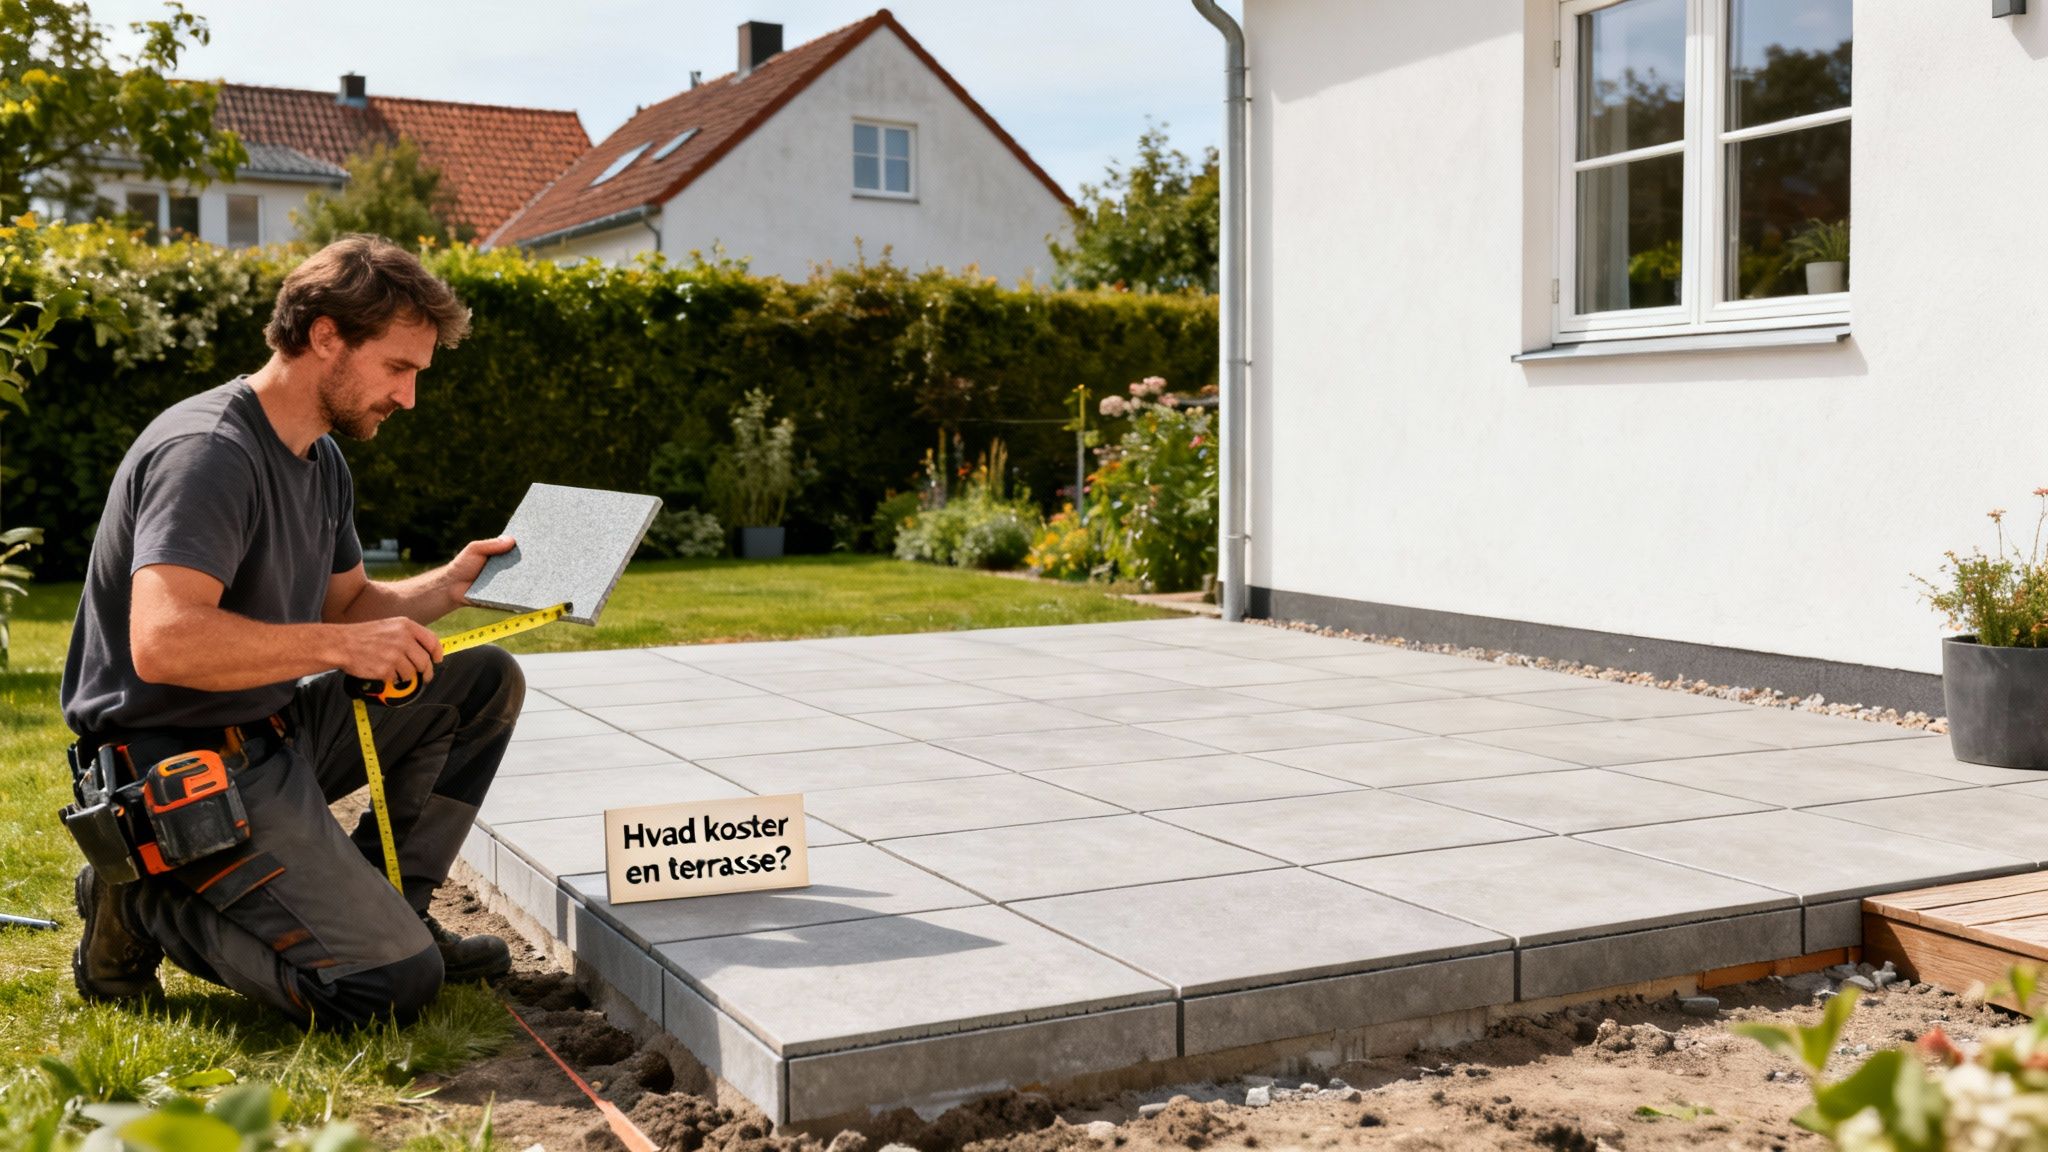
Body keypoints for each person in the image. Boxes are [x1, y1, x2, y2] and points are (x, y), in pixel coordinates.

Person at [60, 234, 526, 1028]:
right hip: (175, 763)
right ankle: (139, 903)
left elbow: (345, 608)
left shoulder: (318, 458)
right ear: (325, 337)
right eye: (399, 369)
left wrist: (446, 587)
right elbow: (163, 642)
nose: (408, 398)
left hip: (269, 728)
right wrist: (341, 650)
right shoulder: (208, 453)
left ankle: (393, 910)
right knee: (384, 989)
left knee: (481, 683)